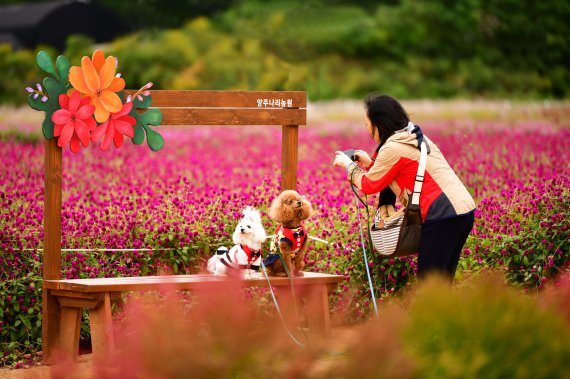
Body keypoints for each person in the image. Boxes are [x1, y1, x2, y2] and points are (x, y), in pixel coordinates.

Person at [333, 93, 476, 281]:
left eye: (368, 124)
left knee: (430, 286)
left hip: (442, 215)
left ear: (380, 125)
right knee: (442, 285)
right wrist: (370, 163)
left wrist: (348, 165)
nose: (367, 129)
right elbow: (397, 171)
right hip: (462, 211)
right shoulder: (411, 136)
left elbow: (369, 185)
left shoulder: (393, 148)